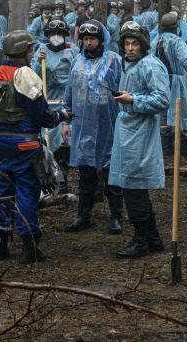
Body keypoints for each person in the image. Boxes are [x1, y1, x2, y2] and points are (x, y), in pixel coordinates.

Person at [0, 30, 71, 263]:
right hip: (24, 145)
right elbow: (42, 115)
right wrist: (60, 115)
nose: (32, 54)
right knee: (26, 192)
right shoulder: (26, 76)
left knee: (0, 191)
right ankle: (29, 247)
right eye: (30, 50)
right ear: (21, 52)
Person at [109, 21, 170, 258]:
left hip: (141, 133)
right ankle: (153, 239)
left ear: (143, 45)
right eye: (127, 43)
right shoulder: (129, 65)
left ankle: (141, 240)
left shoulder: (151, 66)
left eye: (134, 44)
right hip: (127, 131)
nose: (130, 48)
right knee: (131, 186)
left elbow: (162, 100)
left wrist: (133, 100)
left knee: (134, 187)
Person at [62, 19, 124, 233]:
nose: (88, 43)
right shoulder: (76, 61)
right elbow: (69, 91)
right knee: (86, 174)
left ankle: (117, 217)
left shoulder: (115, 60)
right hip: (83, 123)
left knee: (110, 172)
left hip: (108, 122)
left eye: (93, 39)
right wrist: (66, 120)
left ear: (101, 40)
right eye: (85, 39)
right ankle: (83, 216)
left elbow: (122, 88)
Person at [33, 19, 78, 189]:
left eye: (60, 34)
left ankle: (63, 176)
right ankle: (48, 177)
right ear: (48, 36)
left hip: (66, 102)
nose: (56, 37)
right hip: (47, 102)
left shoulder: (72, 51)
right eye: (53, 34)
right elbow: (34, 75)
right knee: (47, 140)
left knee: (64, 139)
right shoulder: (42, 51)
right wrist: (38, 62)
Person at [151, 11, 187, 152]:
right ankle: (183, 142)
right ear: (177, 25)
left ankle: (165, 143)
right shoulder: (176, 41)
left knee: (163, 110)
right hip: (175, 80)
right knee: (180, 110)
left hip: (158, 80)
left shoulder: (156, 40)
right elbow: (185, 60)